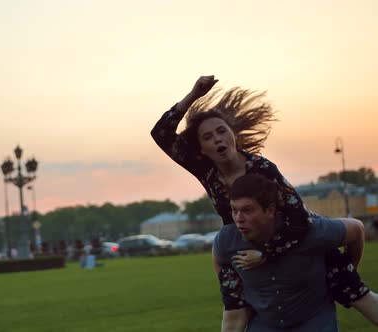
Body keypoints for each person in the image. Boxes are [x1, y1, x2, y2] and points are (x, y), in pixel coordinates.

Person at [151, 76, 377, 322]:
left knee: (351, 287)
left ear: (233, 135)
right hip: (243, 240)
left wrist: (268, 254)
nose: (217, 139)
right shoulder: (204, 168)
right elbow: (161, 133)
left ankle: (335, 284)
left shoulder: (263, 168)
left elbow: (298, 218)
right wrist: (193, 95)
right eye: (208, 137)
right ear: (201, 148)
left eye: (221, 131)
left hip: (297, 234)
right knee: (233, 297)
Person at [214, 174, 377, 331]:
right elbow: (218, 258)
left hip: (314, 322)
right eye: (234, 210)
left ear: (270, 210)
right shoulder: (227, 240)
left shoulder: (308, 232)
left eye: (247, 210)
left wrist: (348, 272)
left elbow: (356, 229)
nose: (239, 218)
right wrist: (232, 289)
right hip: (265, 325)